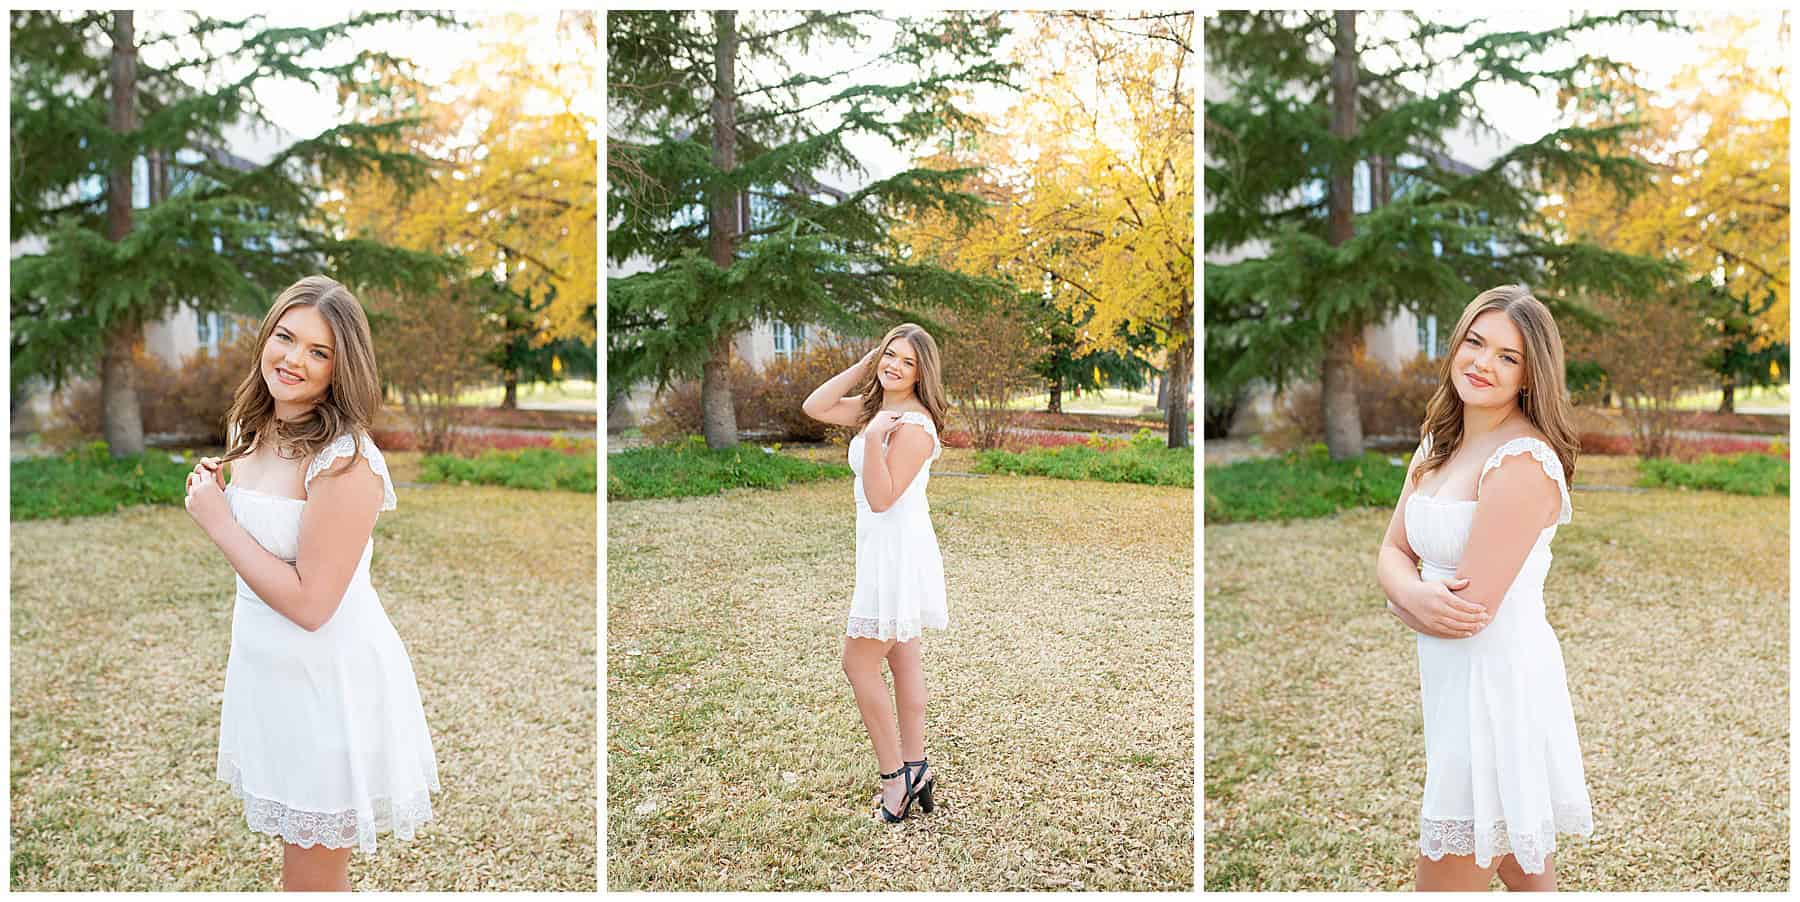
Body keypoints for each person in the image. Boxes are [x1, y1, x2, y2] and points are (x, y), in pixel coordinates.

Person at [183, 275, 438, 890]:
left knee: (312, 877)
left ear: (340, 368)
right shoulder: (254, 428)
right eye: (285, 337)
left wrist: (217, 521)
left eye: (318, 351)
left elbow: (312, 602)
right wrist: (222, 487)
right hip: (269, 674)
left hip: (328, 683)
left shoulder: (346, 462)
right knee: (299, 868)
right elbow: (265, 534)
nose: (293, 359)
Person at [1375, 285, 1593, 891]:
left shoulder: (1523, 461)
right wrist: (1410, 595)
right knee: (1524, 875)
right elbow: (1392, 550)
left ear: (1529, 375)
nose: (1482, 363)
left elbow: (1467, 610)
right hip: (1451, 686)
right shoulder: (1438, 443)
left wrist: (1404, 597)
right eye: (1475, 342)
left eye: (1507, 356)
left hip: (1496, 692)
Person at [801, 324, 950, 822]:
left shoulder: (913, 426)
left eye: (907, 362)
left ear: (922, 372)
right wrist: (867, 364)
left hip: (896, 552)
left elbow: (883, 498)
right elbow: (816, 406)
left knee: (858, 663)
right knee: (904, 662)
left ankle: (896, 781)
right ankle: (917, 767)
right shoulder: (878, 411)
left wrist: (871, 437)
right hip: (879, 549)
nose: (895, 367)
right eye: (891, 355)